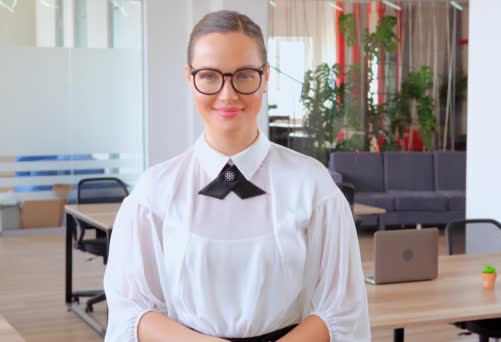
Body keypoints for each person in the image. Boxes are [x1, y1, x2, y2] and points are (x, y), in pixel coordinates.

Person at [104, 10, 370, 342]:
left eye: (244, 75)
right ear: (189, 77)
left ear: (266, 76)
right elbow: (130, 309)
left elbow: (342, 308)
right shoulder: (154, 191)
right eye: (210, 75)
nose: (228, 94)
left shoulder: (312, 185)